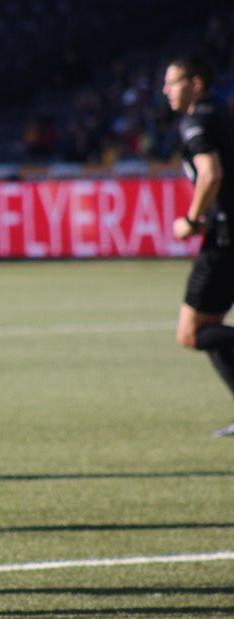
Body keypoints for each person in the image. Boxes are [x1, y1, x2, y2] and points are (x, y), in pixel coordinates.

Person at [163, 57, 234, 437]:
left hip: (225, 239)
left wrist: (191, 220)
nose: (166, 91)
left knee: (191, 334)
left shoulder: (196, 120)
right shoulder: (221, 112)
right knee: (211, 328)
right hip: (225, 229)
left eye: (173, 83)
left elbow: (211, 173)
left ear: (196, 82)